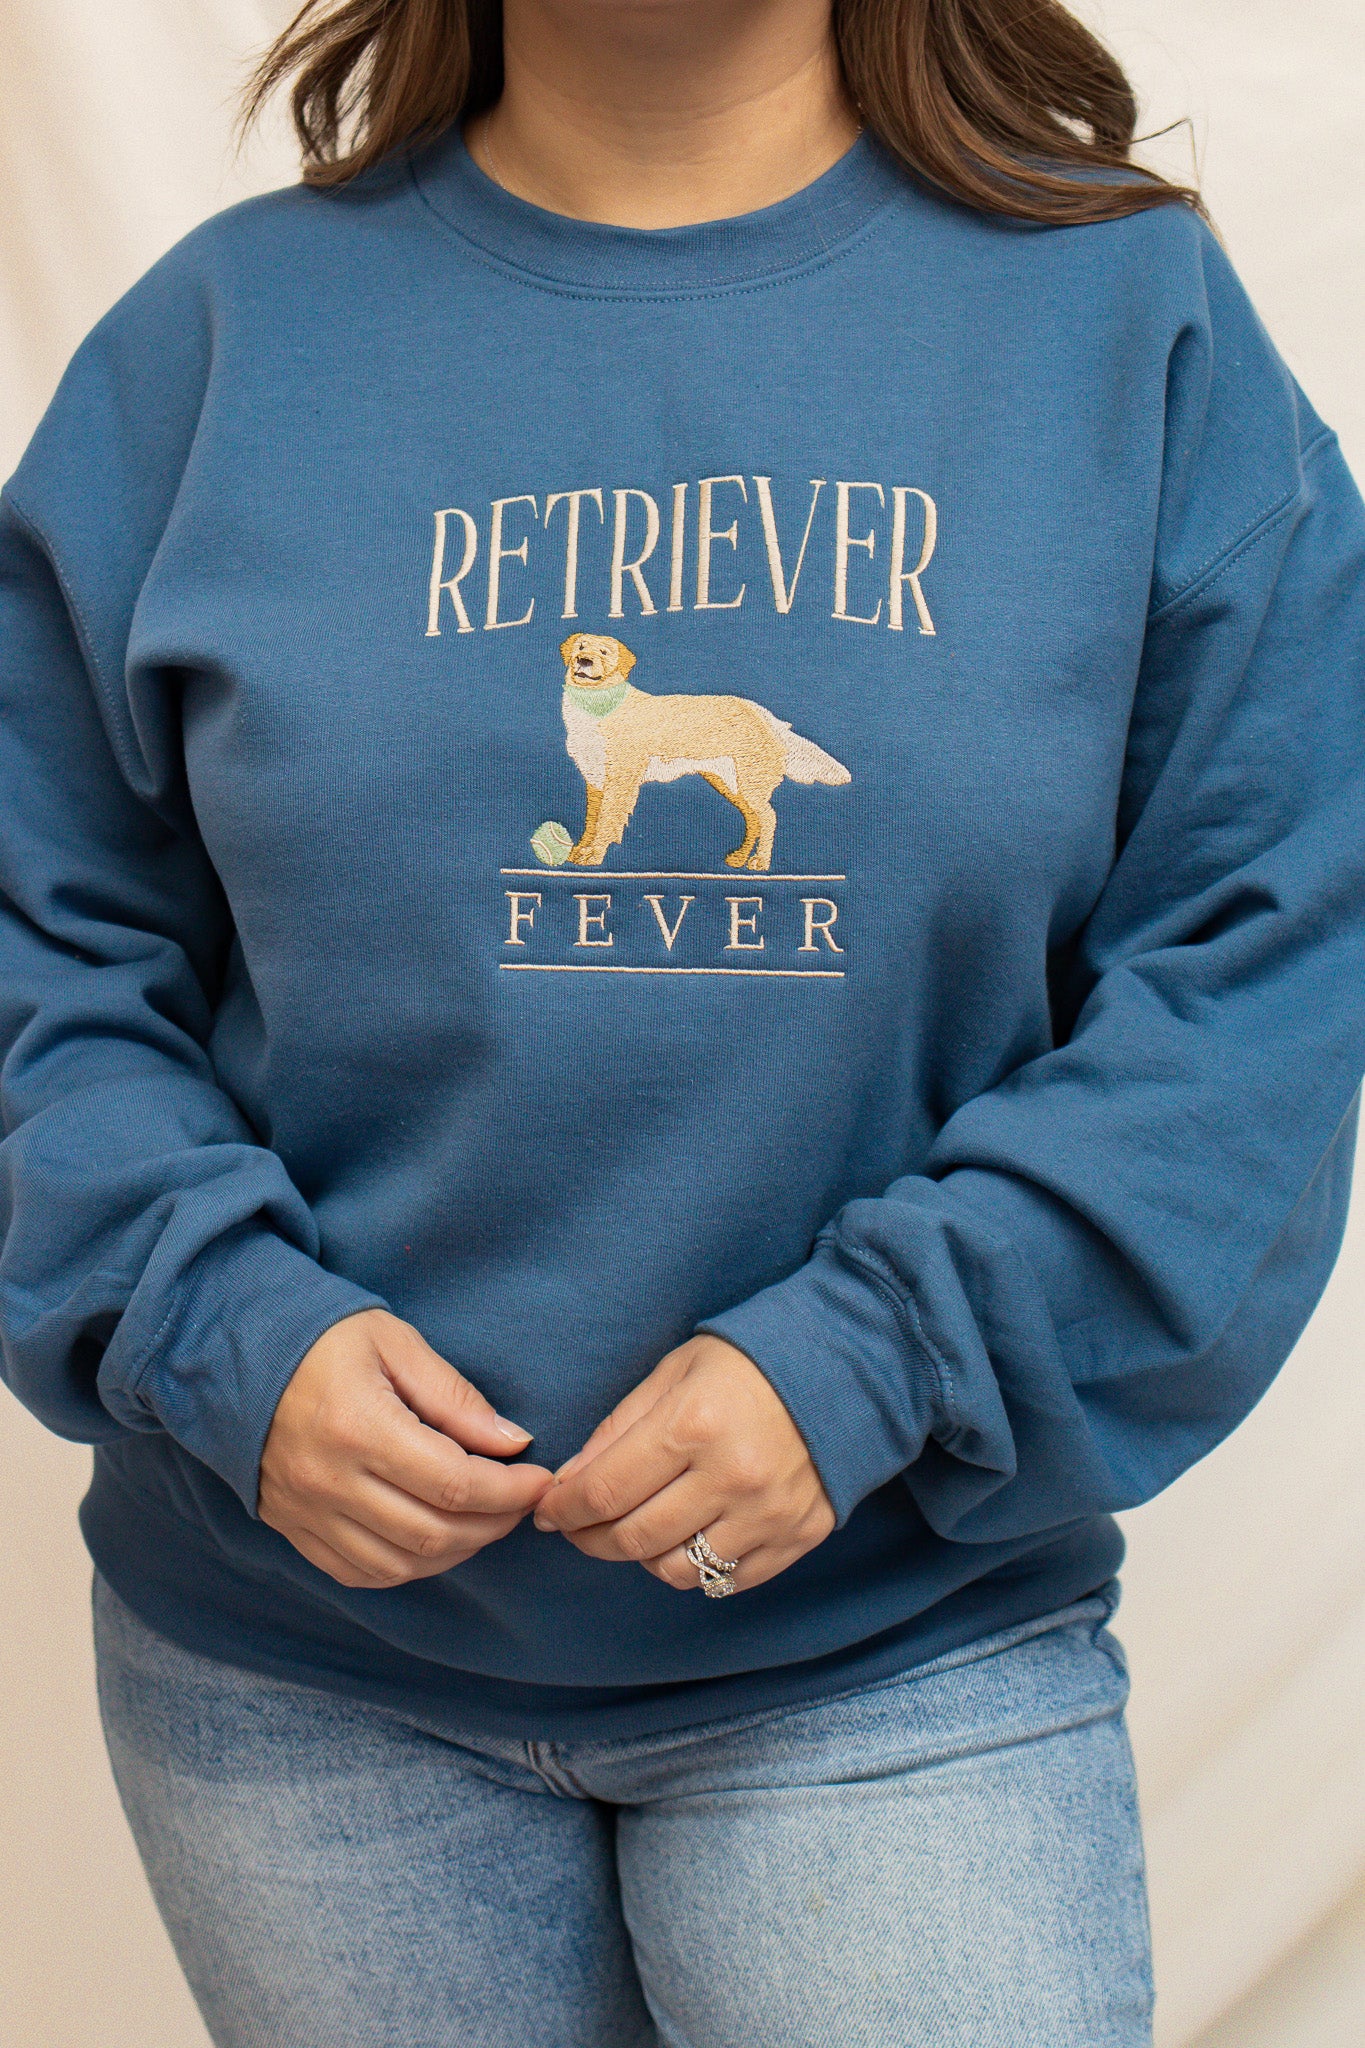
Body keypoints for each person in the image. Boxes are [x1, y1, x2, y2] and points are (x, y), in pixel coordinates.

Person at [3, 1, 1363, 2041]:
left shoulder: (1128, 329)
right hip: (292, 1687)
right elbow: (38, 933)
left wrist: (883, 1353)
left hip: (893, 1657)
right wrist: (217, 1325)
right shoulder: (213, 350)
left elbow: (1269, 954)